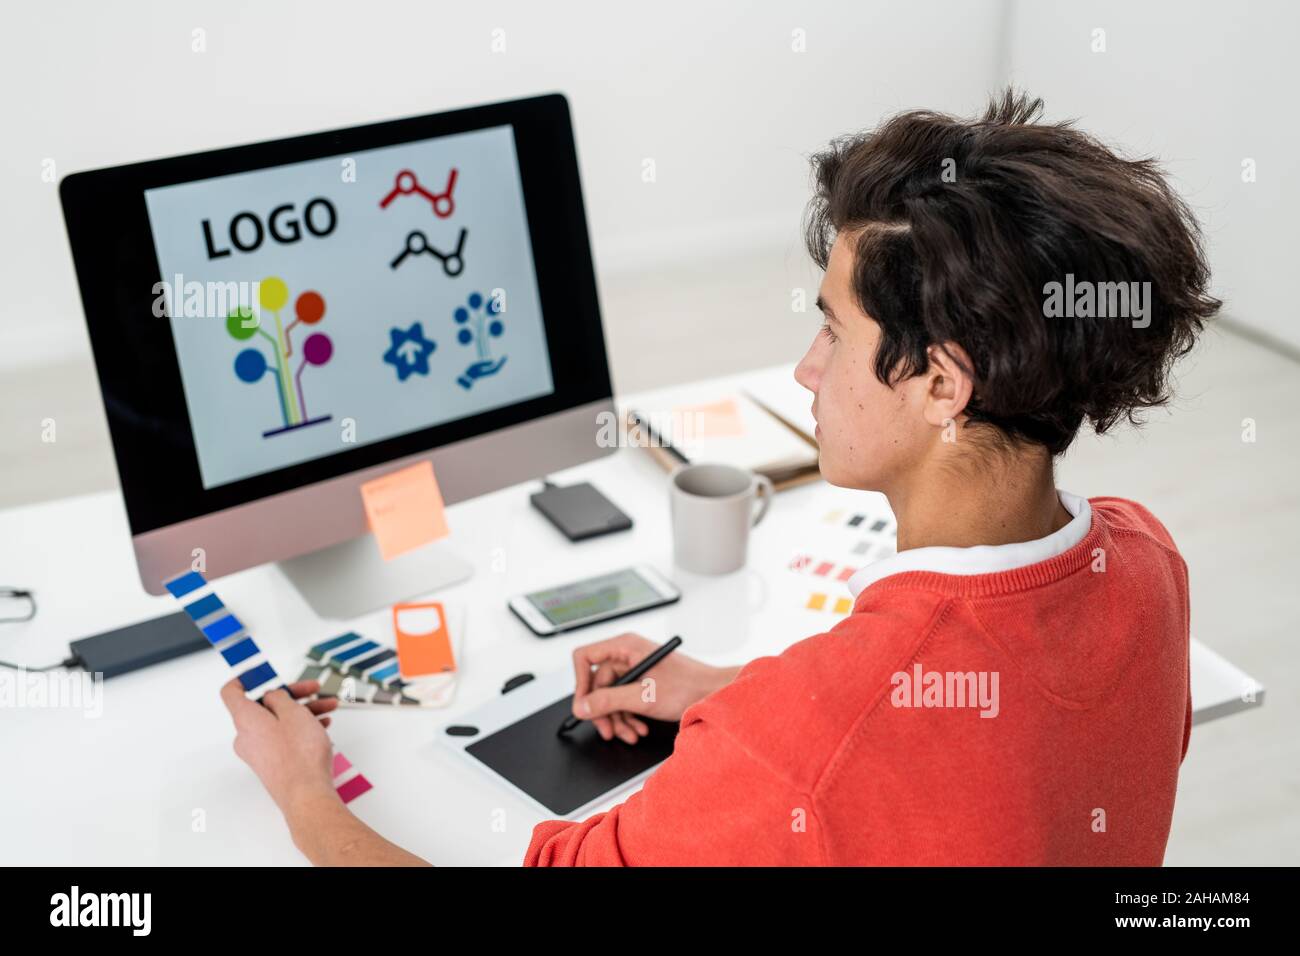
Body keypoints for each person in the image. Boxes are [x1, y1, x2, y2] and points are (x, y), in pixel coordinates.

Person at [221, 90, 1218, 865]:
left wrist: (307, 792)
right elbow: (958, 738)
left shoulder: (806, 737)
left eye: (834, 329)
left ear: (941, 383)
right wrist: (725, 689)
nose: (805, 368)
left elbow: (847, 741)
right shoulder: (1144, 560)